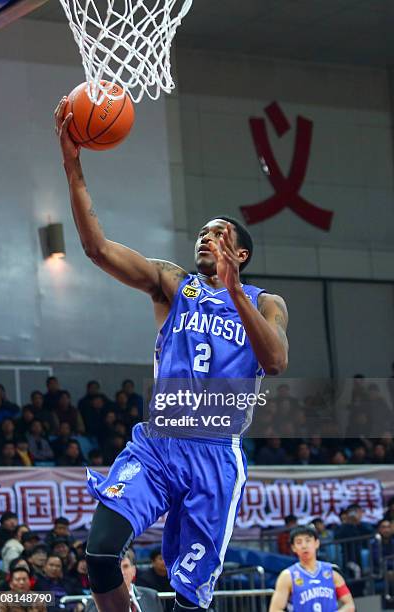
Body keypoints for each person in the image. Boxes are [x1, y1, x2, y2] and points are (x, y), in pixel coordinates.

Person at [55, 97, 289, 612]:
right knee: (98, 555)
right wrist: (73, 163)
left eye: (219, 234)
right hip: (158, 447)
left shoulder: (265, 302)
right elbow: (97, 248)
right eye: (203, 232)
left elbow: (273, 362)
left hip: (214, 456)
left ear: (241, 255)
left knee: (188, 600)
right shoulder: (173, 284)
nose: (206, 238)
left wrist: (231, 291)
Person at [269, 525, 355, 612]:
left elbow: (349, 605)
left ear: (316, 543)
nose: (304, 546)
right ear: (293, 548)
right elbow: (275, 609)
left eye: (308, 541)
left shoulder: (332, 572)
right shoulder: (287, 576)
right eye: (299, 542)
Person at [86, 549, 163, 612]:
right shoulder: (98, 601)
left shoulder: (151, 596)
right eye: (117, 568)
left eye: (125, 566)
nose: (121, 572)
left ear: (134, 570)